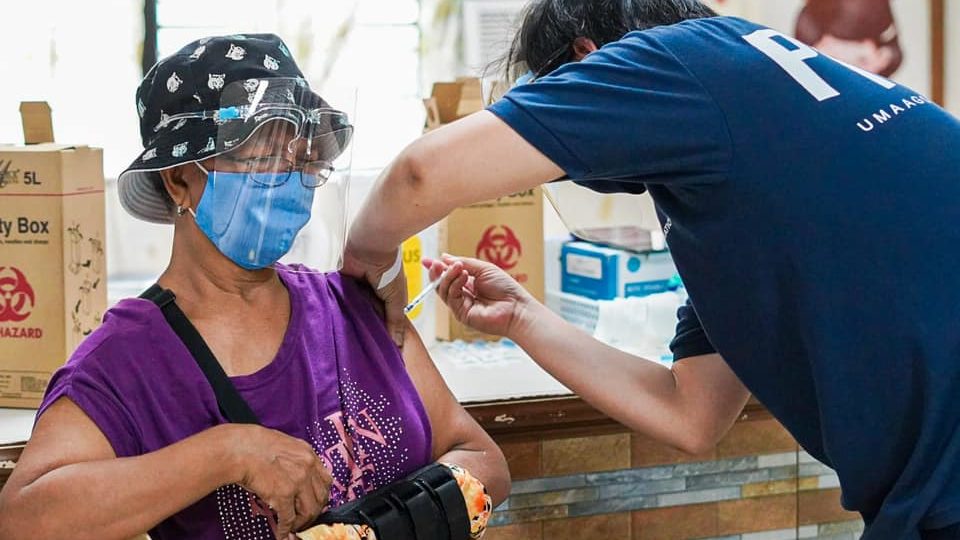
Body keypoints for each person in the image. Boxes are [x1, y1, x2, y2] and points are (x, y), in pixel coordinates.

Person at [341, 0, 960, 538]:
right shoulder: (737, 167)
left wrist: (367, 261)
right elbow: (692, 415)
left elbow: (421, 173)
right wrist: (523, 318)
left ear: (588, 60)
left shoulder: (670, 57)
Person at [0, 34, 508, 540]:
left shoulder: (356, 310)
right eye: (262, 159)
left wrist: (379, 529)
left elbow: (484, 461)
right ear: (179, 179)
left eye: (301, 158)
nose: (287, 178)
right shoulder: (129, 361)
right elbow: (24, 519)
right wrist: (226, 453)